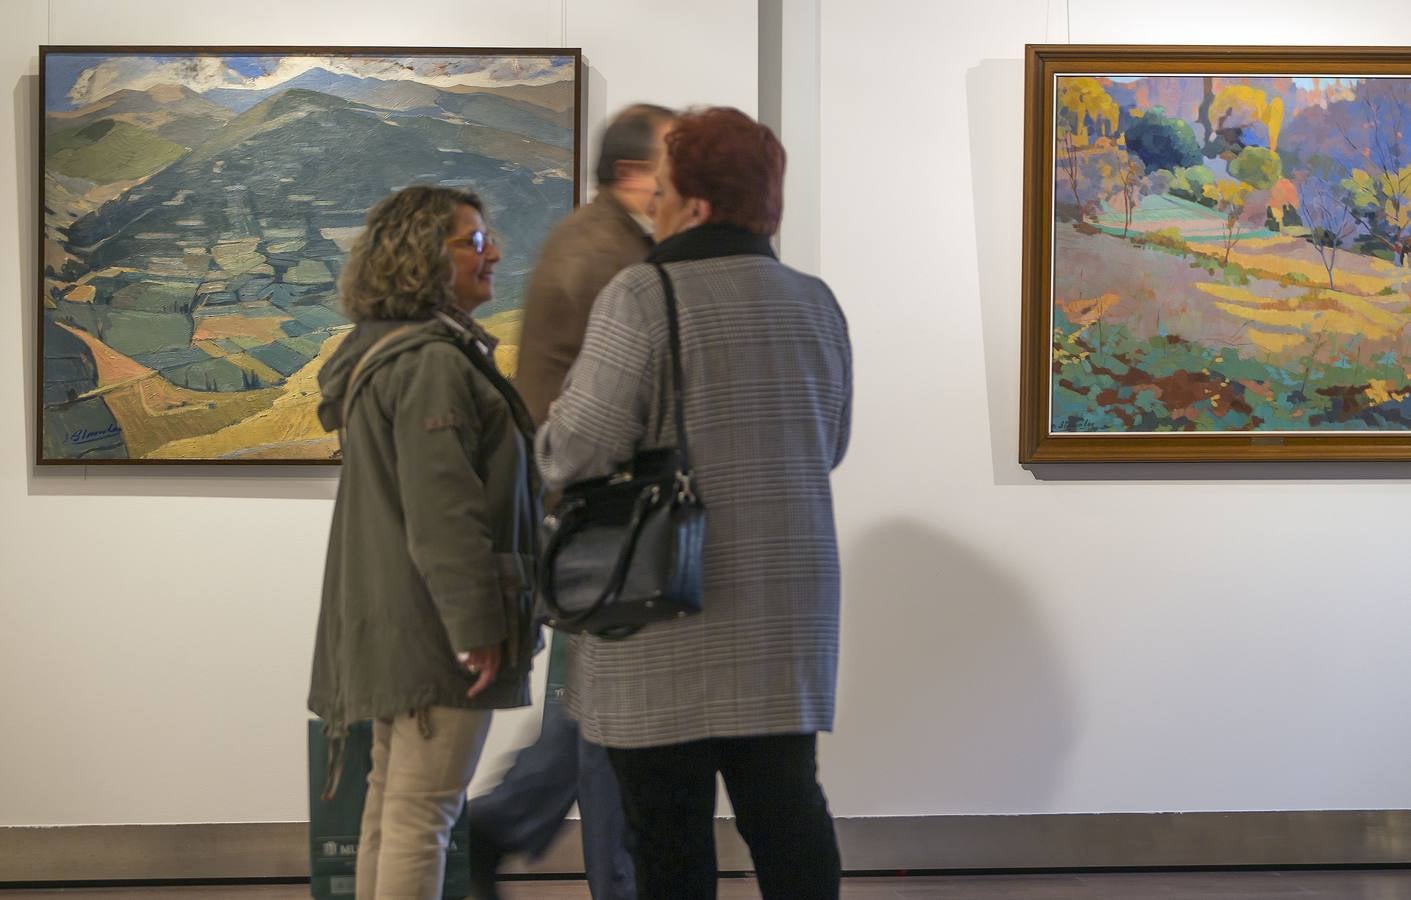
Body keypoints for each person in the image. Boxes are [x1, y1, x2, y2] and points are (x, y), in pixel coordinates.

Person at [537, 107, 853, 899]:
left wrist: (543, 449)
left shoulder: (642, 295)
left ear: (698, 206)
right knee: (787, 815)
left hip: (664, 611)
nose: (654, 204)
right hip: (784, 609)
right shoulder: (815, 302)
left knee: (668, 832)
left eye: (666, 190)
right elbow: (832, 444)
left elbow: (578, 446)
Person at [466, 103, 676, 900]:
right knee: (609, 709)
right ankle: (598, 870)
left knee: (594, 700)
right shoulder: (607, 259)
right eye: (669, 169)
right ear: (633, 176)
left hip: (592, 508)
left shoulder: (603, 244)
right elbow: (609, 402)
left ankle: (509, 823)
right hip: (602, 512)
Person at [308, 184, 540, 900]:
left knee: (394, 805)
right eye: (471, 241)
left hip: (399, 622)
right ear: (421, 261)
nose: (492, 251)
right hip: (437, 630)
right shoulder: (432, 364)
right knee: (423, 814)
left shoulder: (389, 353)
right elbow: (443, 512)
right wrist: (475, 627)